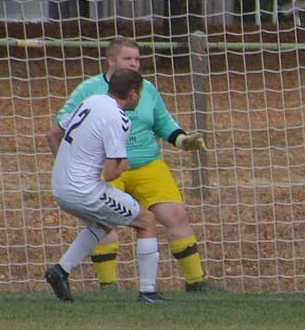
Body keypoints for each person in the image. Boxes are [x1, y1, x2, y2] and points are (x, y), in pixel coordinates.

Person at [46, 37, 223, 292]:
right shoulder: (91, 92)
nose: (133, 63)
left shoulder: (145, 89)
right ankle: (123, 289)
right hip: (107, 169)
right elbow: (64, 122)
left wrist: (183, 141)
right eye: (127, 59)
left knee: (176, 215)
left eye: (137, 59)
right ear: (111, 61)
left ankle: (196, 282)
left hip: (147, 165)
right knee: (123, 222)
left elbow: (163, 122)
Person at [44, 69, 164, 303]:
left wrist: (68, 167)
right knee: (146, 220)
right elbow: (110, 174)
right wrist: (123, 165)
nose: (139, 98)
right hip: (83, 190)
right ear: (132, 93)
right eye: (139, 93)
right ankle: (148, 293)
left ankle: (60, 271)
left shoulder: (91, 101)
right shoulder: (118, 119)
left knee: (104, 224)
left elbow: (52, 135)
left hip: (60, 186)